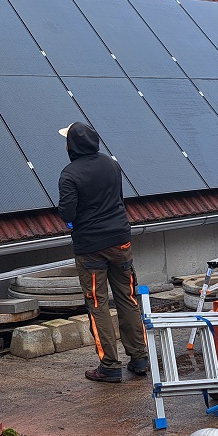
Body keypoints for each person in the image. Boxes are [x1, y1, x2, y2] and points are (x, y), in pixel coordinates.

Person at [57, 121, 149, 383]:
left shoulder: (69, 175)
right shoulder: (111, 164)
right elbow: (118, 198)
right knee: (128, 299)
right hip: (121, 241)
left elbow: (67, 213)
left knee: (98, 304)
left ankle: (109, 366)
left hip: (91, 248)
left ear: (72, 145)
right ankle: (140, 358)